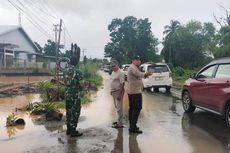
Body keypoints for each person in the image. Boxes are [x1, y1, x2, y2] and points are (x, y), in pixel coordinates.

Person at [127, 55, 152, 133]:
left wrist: (145, 75)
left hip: (132, 91)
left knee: (132, 108)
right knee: (137, 108)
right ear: (133, 60)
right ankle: (132, 127)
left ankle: (132, 125)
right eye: (138, 60)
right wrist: (146, 74)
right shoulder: (133, 67)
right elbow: (137, 74)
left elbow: (138, 75)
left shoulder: (133, 67)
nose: (139, 61)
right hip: (135, 92)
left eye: (139, 60)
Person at [65, 44, 83, 137]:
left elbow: (65, 82)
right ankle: (73, 130)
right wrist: (82, 88)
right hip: (75, 95)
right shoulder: (78, 71)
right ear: (77, 62)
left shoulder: (66, 70)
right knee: (75, 112)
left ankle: (68, 129)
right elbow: (81, 84)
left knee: (68, 111)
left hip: (67, 95)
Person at [110, 60, 125, 128]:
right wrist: (111, 90)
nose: (113, 67)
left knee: (119, 108)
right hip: (114, 91)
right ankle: (119, 121)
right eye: (112, 66)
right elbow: (112, 81)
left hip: (119, 91)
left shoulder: (121, 73)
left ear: (117, 65)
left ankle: (120, 123)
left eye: (114, 66)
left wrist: (119, 94)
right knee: (116, 106)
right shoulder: (113, 72)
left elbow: (122, 84)